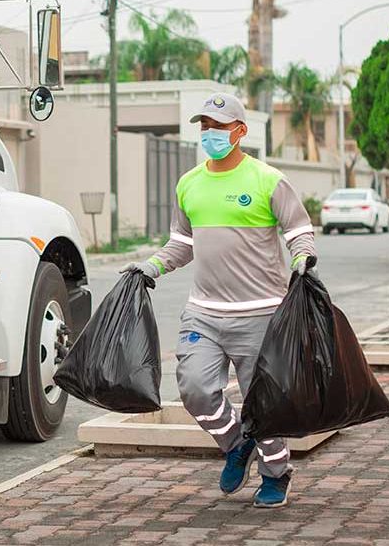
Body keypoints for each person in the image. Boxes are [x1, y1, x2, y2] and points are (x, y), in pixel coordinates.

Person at [124, 92, 315, 509]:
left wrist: (302, 257)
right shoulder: (189, 183)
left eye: (218, 127)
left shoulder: (267, 180)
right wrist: (150, 267)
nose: (209, 133)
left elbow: (298, 228)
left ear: (240, 131)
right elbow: (180, 243)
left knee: (264, 404)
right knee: (195, 390)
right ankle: (235, 444)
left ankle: (277, 475)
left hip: (261, 313)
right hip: (203, 313)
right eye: (204, 126)